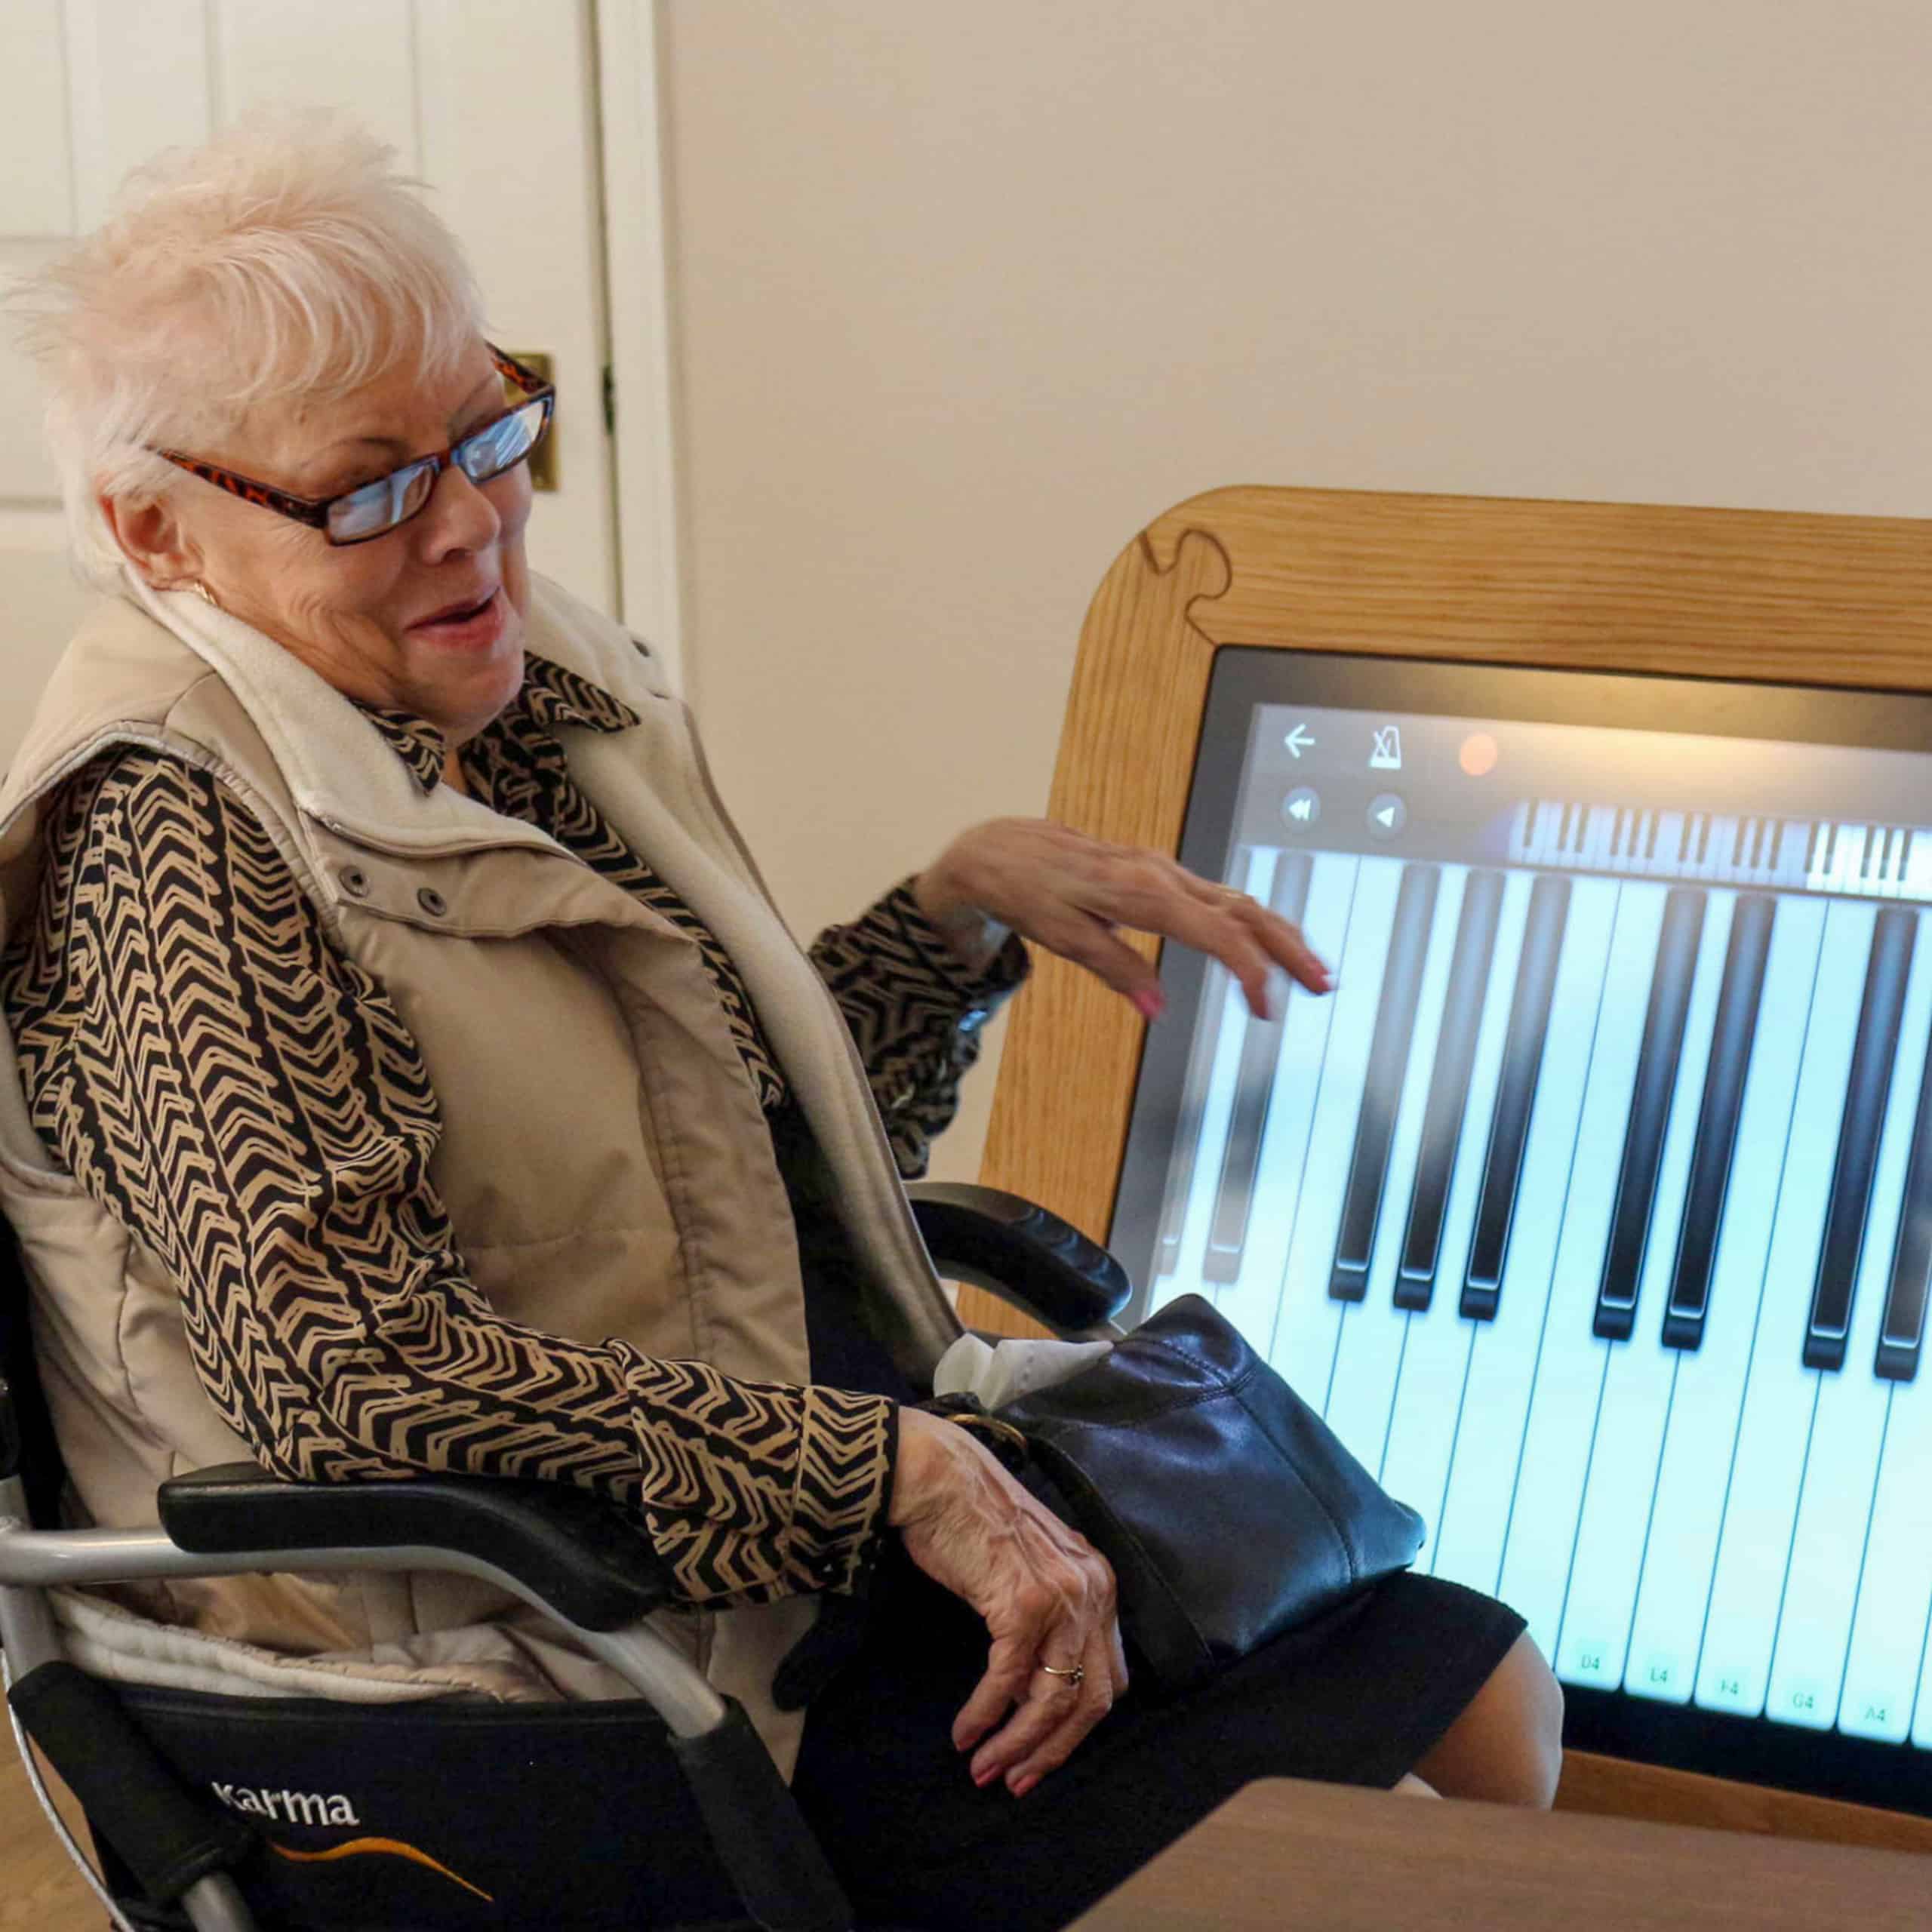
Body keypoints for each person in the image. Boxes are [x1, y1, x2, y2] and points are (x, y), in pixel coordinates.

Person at [1, 116, 1559, 1930]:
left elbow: (695, 1170)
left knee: (1463, 1672)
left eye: (487, 432)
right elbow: (354, 1385)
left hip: (741, 1561)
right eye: (366, 488)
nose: (469, 523)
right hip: (529, 1668)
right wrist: (881, 1466)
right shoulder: (173, 840)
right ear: (149, 528)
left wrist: (951, 913)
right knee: (1367, 1813)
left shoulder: (504, 697)